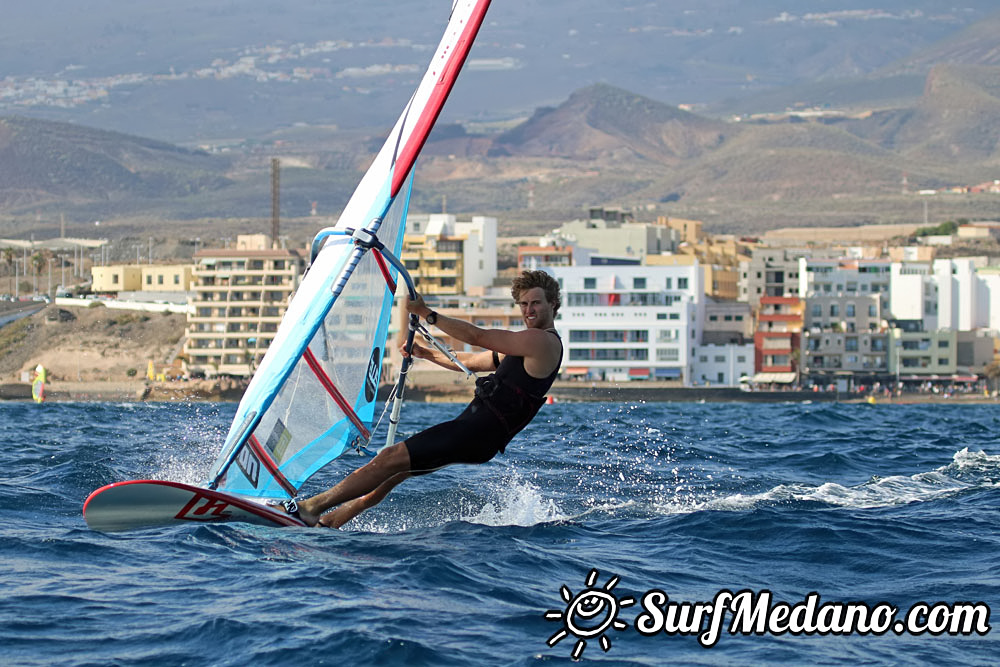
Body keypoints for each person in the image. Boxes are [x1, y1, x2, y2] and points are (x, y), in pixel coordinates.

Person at [285, 269, 563, 528]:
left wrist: (427, 314)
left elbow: (477, 336)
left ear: (552, 303)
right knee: (396, 472)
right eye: (524, 304)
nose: (529, 310)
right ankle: (333, 520)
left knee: (390, 457)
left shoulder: (542, 342)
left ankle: (310, 508)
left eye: (536, 303)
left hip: (475, 433)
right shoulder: (528, 347)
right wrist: (426, 353)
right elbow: (470, 361)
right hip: (479, 437)